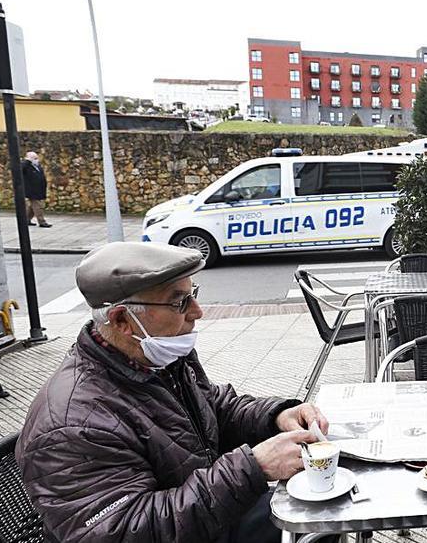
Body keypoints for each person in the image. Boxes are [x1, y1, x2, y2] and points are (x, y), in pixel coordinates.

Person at [17, 242, 325, 542]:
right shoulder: (73, 424)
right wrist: (252, 469)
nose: (197, 311)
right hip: (185, 526)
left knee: (319, 516)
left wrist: (277, 416)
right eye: (179, 302)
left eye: (193, 294)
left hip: (203, 514)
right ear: (122, 319)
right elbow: (125, 530)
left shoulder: (154, 359)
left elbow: (212, 408)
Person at [21, 151, 51, 227]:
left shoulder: (37, 166)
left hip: (38, 190)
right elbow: (21, 168)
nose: (36, 159)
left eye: (36, 158)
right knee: (38, 206)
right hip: (31, 190)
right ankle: (42, 221)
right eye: (34, 158)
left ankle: (26, 220)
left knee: (32, 207)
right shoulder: (26, 166)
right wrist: (27, 161)